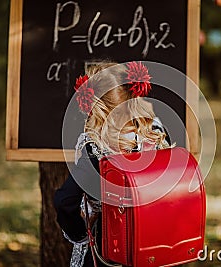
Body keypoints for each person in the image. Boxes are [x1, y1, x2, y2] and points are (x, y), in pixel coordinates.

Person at [54, 61, 171, 267]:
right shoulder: (156, 133)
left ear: (96, 107)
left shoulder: (97, 149)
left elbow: (65, 200)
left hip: (110, 251)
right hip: (154, 245)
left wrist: (81, 231)